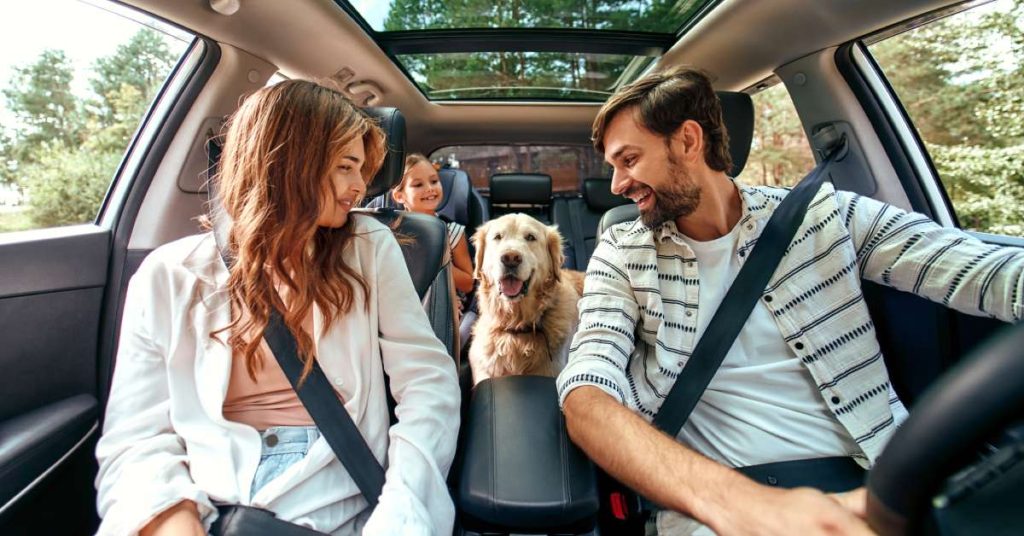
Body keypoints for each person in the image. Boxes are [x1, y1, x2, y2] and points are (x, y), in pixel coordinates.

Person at [556, 66, 1024, 535]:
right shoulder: (621, 252)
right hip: (716, 504)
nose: (616, 185)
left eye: (629, 160)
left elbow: (983, 271)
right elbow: (586, 393)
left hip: (877, 482)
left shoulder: (826, 215)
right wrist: (740, 506)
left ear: (688, 142)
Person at [95, 79, 460, 535]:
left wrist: (402, 510)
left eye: (364, 171)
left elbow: (428, 384)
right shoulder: (168, 274)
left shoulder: (369, 247)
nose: (361, 187)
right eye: (347, 167)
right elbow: (136, 437)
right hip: (210, 497)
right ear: (292, 162)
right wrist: (170, 516)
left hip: (339, 495)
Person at [392, 153, 475, 297]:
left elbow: (468, 284)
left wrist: (433, 263)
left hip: (442, 305)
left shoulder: (452, 232)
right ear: (400, 196)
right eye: (418, 184)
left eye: (434, 181)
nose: (430, 188)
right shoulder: (391, 232)